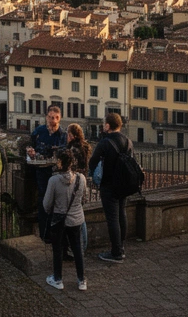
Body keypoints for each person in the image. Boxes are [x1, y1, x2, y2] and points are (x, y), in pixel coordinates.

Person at [42, 149, 87, 291]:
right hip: (77, 219)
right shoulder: (81, 178)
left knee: (58, 249)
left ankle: (58, 279)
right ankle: (81, 280)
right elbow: (83, 199)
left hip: (59, 220)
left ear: (60, 162)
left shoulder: (54, 180)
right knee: (77, 249)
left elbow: (46, 204)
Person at [89, 112, 131, 263]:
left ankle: (116, 253)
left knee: (112, 218)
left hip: (108, 185)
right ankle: (121, 248)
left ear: (107, 125)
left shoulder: (104, 143)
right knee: (122, 215)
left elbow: (93, 162)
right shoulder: (128, 141)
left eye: (103, 124)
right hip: (124, 184)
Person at [27, 105, 68, 241]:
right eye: (51, 117)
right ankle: (45, 233)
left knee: (56, 201)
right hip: (41, 171)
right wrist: (30, 151)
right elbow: (29, 145)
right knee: (43, 200)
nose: (53, 120)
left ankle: (54, 232)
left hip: (56, 172)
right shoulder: (39, 131)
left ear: (60, 118)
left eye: (56, 118)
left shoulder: (63, 135)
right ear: (46, 117)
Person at [66, 124, 92, 255]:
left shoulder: (73, 149)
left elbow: (71, 167)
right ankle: (81, 245)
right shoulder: (85, 147)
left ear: (72, 135)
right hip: (83, 183)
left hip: (75, 186)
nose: (67, 137)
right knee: (80, 215)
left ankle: (79, 247)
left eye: (68, 134)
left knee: (77, 219)